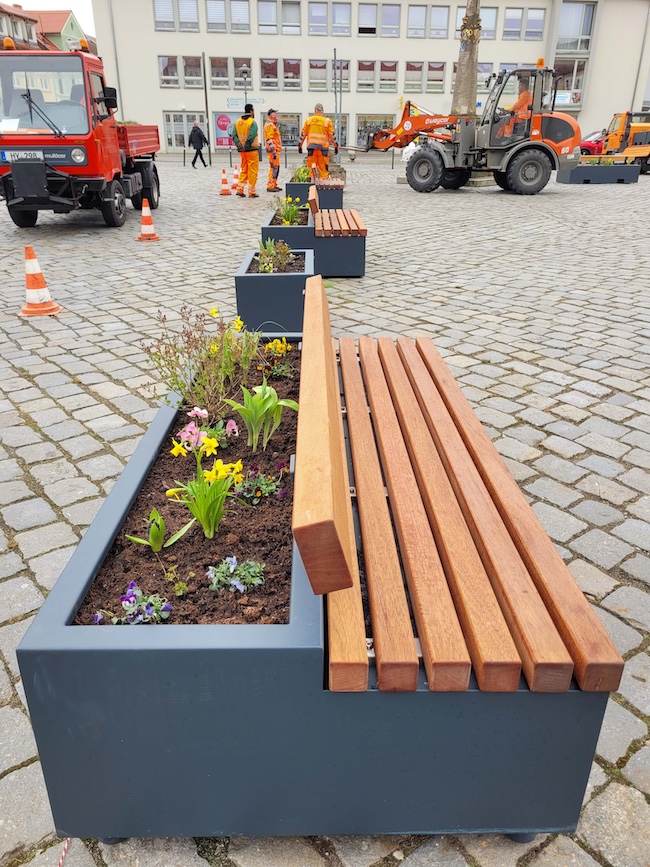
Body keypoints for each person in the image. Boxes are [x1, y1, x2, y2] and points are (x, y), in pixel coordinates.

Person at [299, 102, 338, 179]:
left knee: (311, 169)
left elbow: (302, 135)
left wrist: (299, 146)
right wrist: (336, 146)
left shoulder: (308, 121)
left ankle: (311, 187)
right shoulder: (327, 121)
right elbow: (332, 136)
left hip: (311, 149)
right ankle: (323, 187)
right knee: (323, 169)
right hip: (323, 150)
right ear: (322, 111)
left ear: (315, 110)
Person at [232, 103, 260, 198]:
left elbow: (234, 135)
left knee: (244, 168)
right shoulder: (252, 122)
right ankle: (252, 192)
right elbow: (251, 136)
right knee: (252, 170)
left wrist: (239, 145)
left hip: (242, 152)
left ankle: (240, 189)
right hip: (251, 150)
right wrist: (246, 146)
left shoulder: (237, 122)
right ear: (251, 111)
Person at [263, 108, 282, 192]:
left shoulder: (272, 125)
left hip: (275, 151)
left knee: (276, 168)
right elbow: (269, 139)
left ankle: (274, 184)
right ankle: (270, 185)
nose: (276, 116)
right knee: (273, 168)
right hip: (273, 151)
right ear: (271, 116)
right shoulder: (270, 125)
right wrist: (273, 150)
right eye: (275, 115)